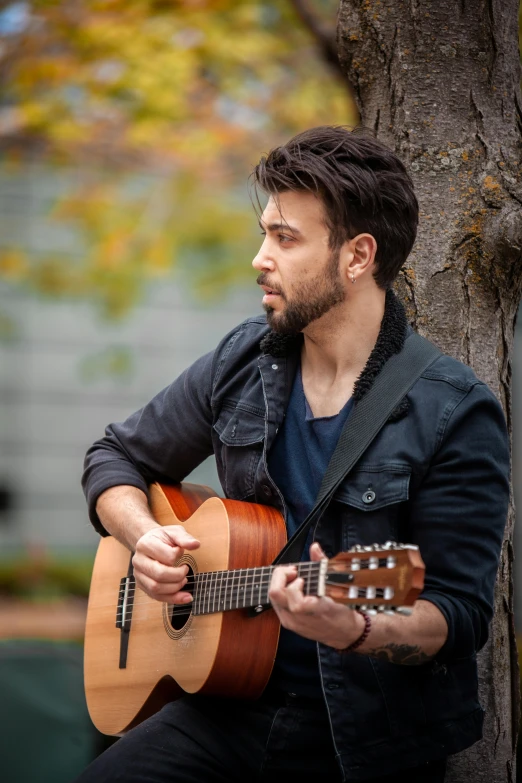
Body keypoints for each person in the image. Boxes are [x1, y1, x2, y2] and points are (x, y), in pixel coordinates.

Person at [78, 126, 509, 783]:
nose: (260, 257)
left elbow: (457, 614)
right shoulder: (243, 359)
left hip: (361, 739)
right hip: (224, 709)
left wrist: (354, 626)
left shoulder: (452, 411)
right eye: (264, 233)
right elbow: (115, 456)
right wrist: (146, 538)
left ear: (357, 256)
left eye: (285, 238)